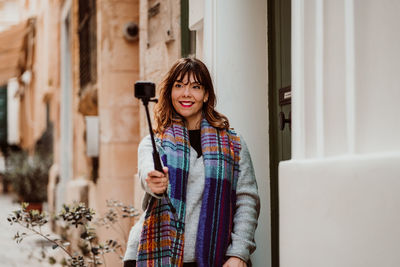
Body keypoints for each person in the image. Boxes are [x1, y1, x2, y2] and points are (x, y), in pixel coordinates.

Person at [123, 57, 260, 267]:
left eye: (195, 87)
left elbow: (247, 199)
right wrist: (154, 181)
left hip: (215, 258)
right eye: (179, 86)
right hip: (156, 256)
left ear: (206, 95)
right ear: (170, 93)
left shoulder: (234, 144)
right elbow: (147, 171)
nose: (186, 94)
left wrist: (239, 254)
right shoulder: (156, 142)